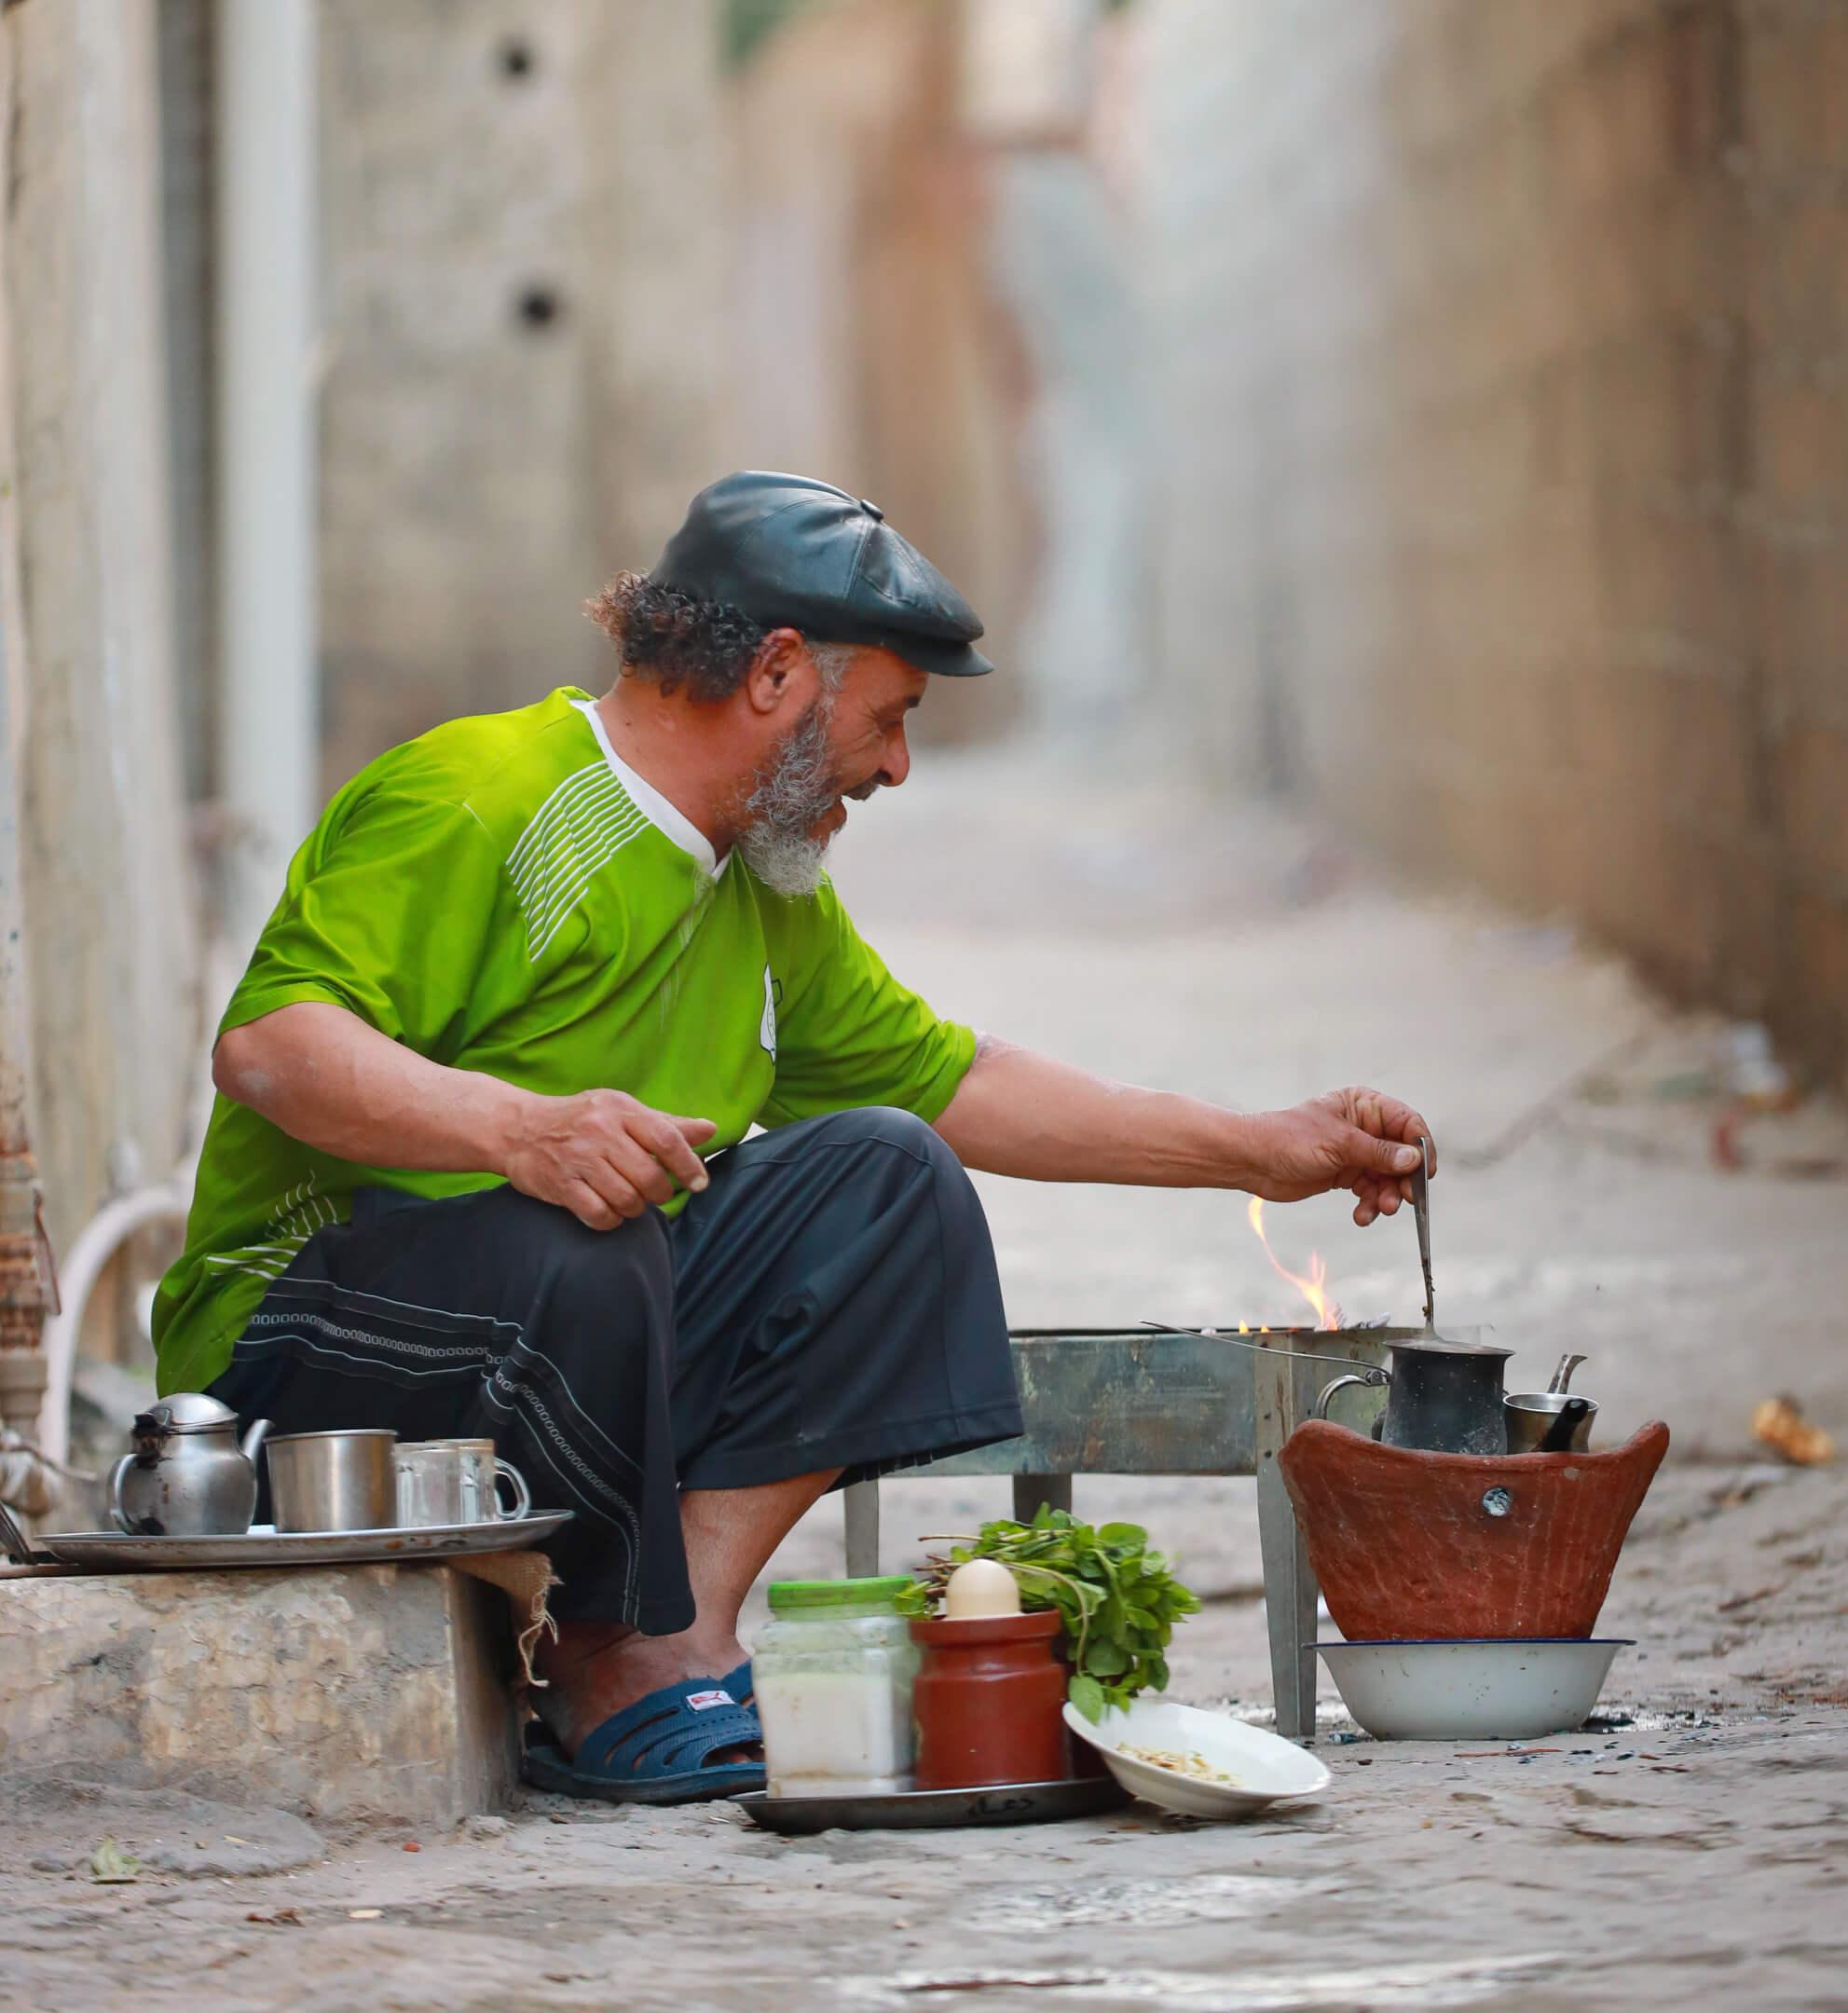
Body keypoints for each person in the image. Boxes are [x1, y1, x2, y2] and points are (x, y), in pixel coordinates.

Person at [153, 472, 1434, 1802]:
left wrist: (1264, 1149)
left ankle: (667, 1641)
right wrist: (523, 1130)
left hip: (565, 1320)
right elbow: (269, 1048)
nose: (893, 766)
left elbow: (965, 1083)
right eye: (889, 719)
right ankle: (608, 1657)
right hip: (296, 1354)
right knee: (586, 1236)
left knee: (889, 1176)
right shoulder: (482, 792)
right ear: (776, 673)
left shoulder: (760, 891)